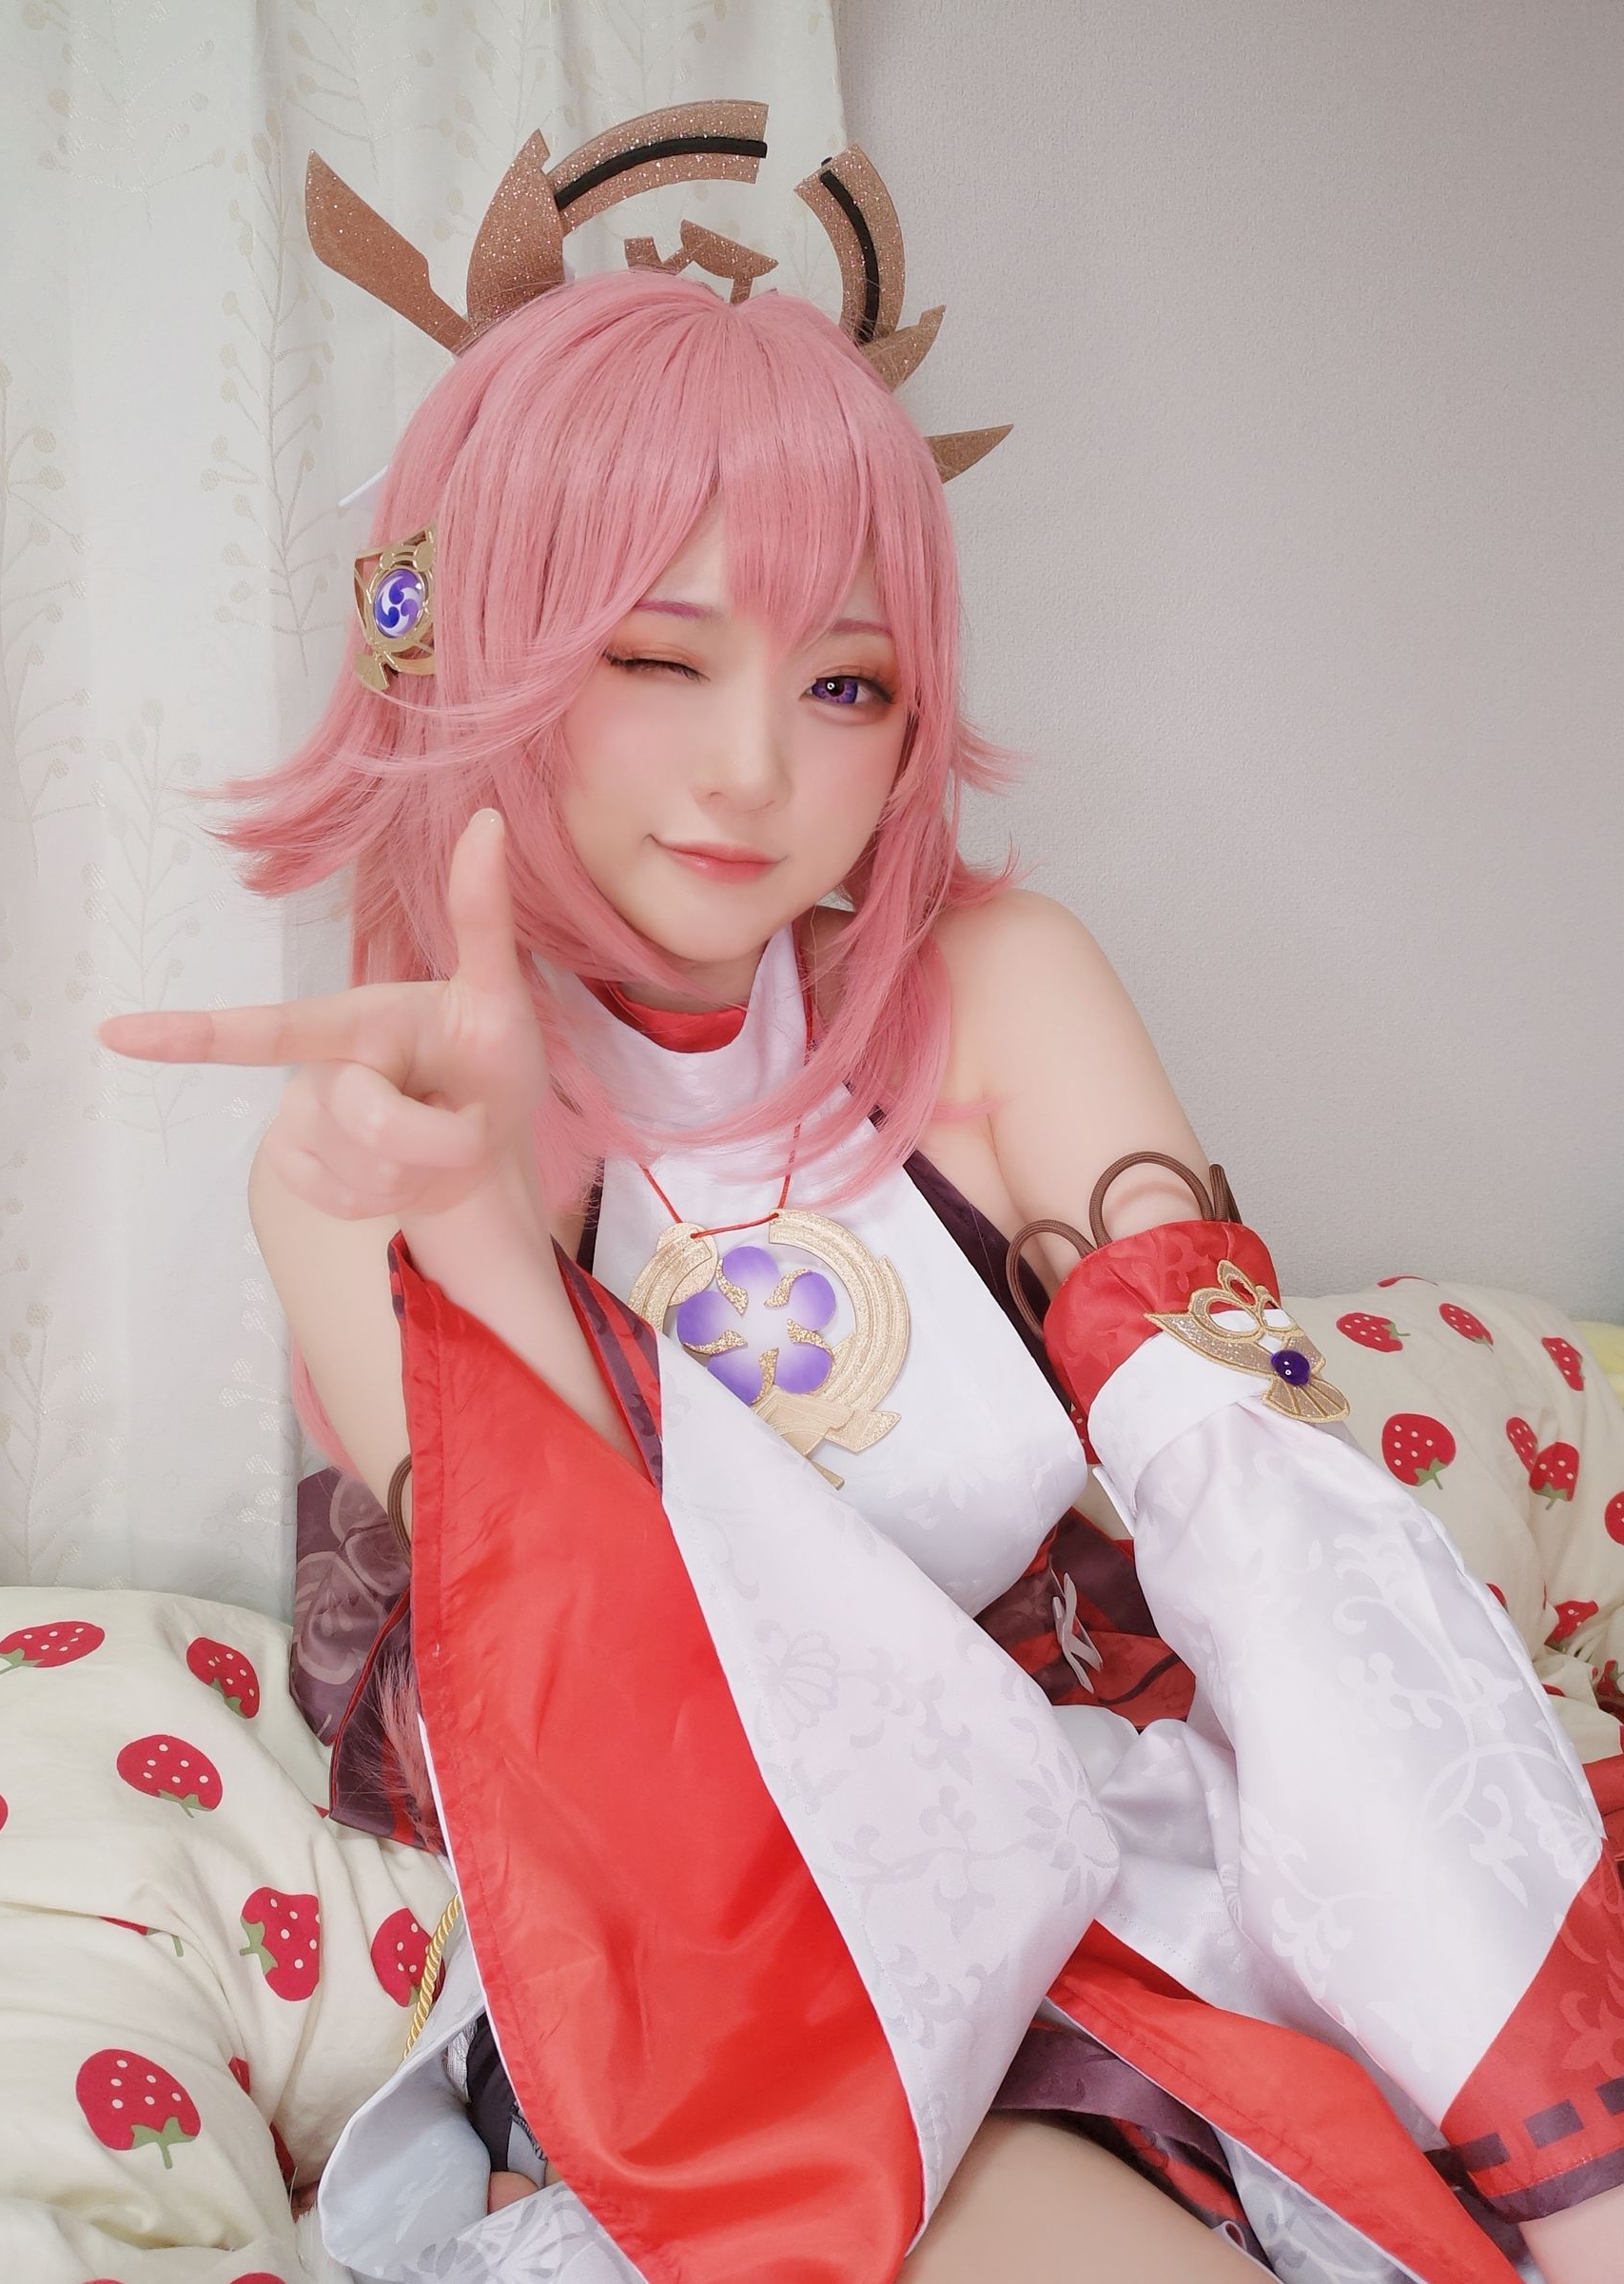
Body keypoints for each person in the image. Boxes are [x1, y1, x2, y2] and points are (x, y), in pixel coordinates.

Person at [97, 121, 1624, 2284]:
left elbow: (1272, 1524)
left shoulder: (1002, 992)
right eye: (657, 657)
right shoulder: (375, 1144)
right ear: (473, 649)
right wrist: (480, 1242)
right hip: (731, 1947)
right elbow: (623, 1705)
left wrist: (1577, 2146)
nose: (755, 771)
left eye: (843, 683)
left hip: (1108, 1835)